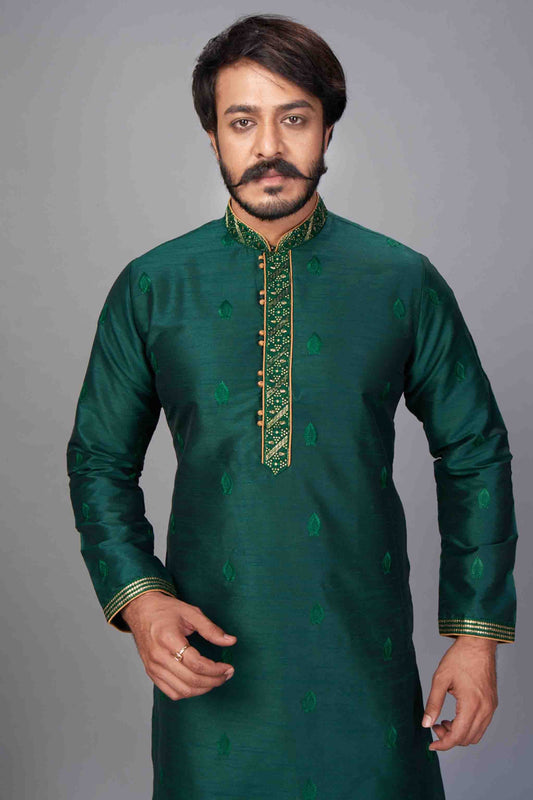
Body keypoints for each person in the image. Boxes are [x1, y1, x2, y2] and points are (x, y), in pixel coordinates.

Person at [66, 13, 518, 800]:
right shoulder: (153, 287)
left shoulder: (399, 281)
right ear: (212, 135)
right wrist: (141, 599)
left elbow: (473, 449)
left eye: (294, 119)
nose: (268, 146)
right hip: (210, 660)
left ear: (328, 129)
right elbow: (100, 460)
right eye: (242, 122)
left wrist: (473, 635)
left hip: (364, 657)